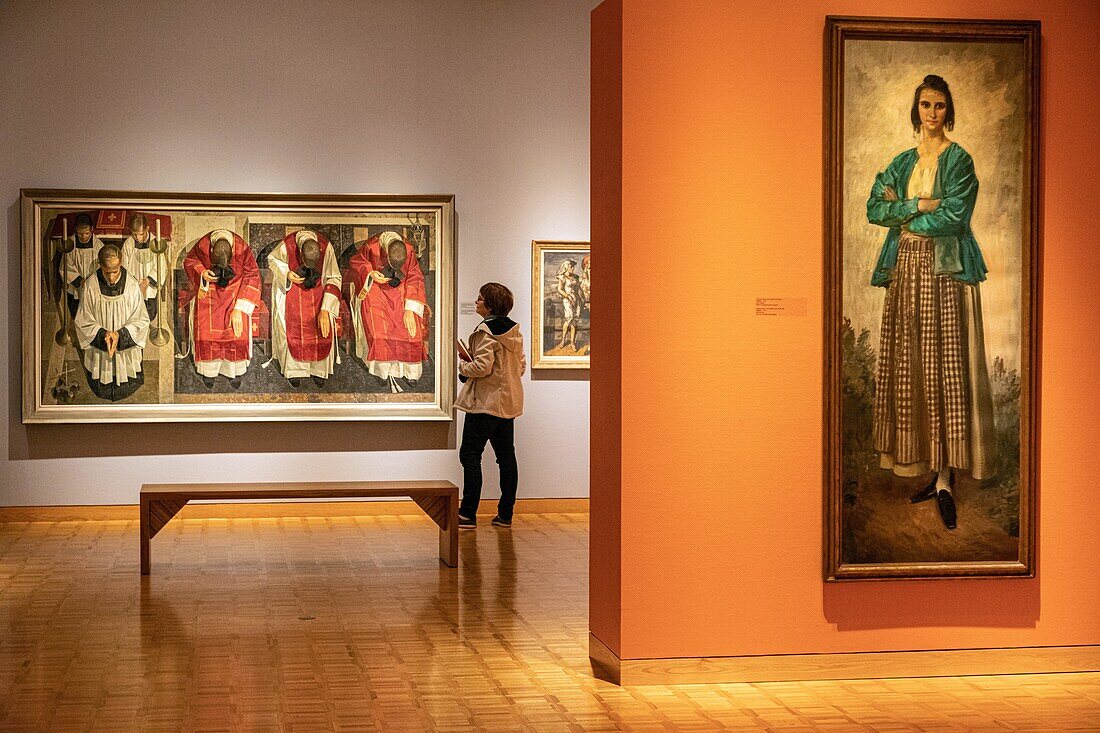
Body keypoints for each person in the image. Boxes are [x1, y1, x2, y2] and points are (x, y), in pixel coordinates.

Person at [866, 74, 996, 531]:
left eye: (940, 106)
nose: (932, 113)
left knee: (944, 366)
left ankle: (945, 477)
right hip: (904, 274)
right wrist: (921, 203)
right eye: (925, 105)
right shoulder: (902, 161)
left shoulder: (960, 161)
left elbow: (957, 215)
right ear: (916, 110)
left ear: (949, 111)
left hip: (943, 273)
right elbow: (874, 209)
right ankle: (924, 467)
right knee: (911, 366)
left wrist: (909, 213)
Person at [455, 283, 526, 529]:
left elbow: (482, 367)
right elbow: (521, 368)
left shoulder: (486, 332)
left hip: (485, 404)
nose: (476, 302)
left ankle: (467, 513)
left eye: (480, 299)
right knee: (506, 458)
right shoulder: (514, 333)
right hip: (508, 404)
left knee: (470, 455)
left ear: (490, 305)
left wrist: (463, 367)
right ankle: (505, 514)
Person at [181, 229, 262, 389]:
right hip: (209, 293)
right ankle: (209, 372)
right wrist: (202, 272)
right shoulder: (203, 245)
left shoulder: (242, 248)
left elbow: (253, 275)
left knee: (236, 333)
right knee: (206, 332)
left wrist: (240, 308)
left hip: (236, 294)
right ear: (210, 251)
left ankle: (234, 372)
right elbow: (190, 261)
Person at [348, 231, 428, 390]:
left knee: (411, 333)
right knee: (380, 333)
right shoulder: (371, 247)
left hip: (402, 291)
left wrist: (410, 309)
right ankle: (382, 372)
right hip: (376, 289)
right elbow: (357, 262)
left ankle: (409, 372)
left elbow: (415, 277)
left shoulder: (409, 249)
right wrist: (370, 273)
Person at [74, 243, 150, 401]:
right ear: (99, 265)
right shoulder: (90, 286)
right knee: (102, 372)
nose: (111, 277)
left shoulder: (132, 285)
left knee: (127, 371)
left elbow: (141, 318)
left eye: (115, 271)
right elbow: (83, 319)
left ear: (121, 264)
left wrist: (121, 336)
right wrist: (103, 334)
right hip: (101, 345)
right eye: (107, 272)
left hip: (124, 346)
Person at [267, 230, 342, 387]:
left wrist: (326, 308)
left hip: (320, 296)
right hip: (292, 293)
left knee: (321, 329)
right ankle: (295, 372)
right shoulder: (286, 246)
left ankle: (318, 371)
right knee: (292, 328)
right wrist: (286, 273)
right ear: (300, 252)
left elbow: (334, 277)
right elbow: (272, 260)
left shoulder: (326, 247)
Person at [59, 213, 104, 318]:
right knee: (76, 313)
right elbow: (65, 267)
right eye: (80, 234)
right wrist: (79, 281)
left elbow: (101, 266)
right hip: (76, 287)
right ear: (75, 230)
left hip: (92, 286)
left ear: (92, 229)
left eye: (87, 233)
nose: (83, 237)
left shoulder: (99, 246)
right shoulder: (69, 245)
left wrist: (90, 281)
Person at [121, 212, 160, 321]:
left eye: (141, 234)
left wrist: (148, 280)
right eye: (134, 234)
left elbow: (161, 265)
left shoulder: (156, 243)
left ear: (147, 229)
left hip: (150, 288)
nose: (137, 238)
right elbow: (124, 266)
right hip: (134, 287)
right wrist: (135, 283)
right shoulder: (128, 244)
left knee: (149, 316)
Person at [555, 259, 581, 350]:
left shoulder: (576, 277)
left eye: (573, 266)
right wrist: (568, 296)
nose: (573, 268)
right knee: (569, 319)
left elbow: (578, 289)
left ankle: (572, 342)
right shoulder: (562, 277)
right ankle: (563, 340)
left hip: (576, 300)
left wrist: (580, 299)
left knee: (574, 321)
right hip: (567, 300)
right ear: (566, 267)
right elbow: (560, 289)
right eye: (571, 266)